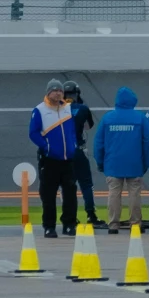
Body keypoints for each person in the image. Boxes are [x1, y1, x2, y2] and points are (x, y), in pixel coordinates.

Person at [95, 87, 149, 232]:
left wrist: (100, 162)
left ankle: (113, 225)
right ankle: (135, 224)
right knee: (135, 194)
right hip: (134, 163)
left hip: (112, 163)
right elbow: (148, 142)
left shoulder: (107, 118)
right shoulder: (140, 118)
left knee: (114, 193)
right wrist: (148, 162)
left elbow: (98, 143)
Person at [27, 80, 81, 237]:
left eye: (60, 90)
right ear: (48, 92)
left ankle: (69, 224)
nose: (58, 93)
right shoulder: (40, 110)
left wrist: (73, 145)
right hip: (50, 159)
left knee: (70, 193)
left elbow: (72, 131)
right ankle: (49, 226)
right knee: (48, 194)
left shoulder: (68, 109)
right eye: (55, 90)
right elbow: (33, 133)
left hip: (68, 159)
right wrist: (47, 147)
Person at [62, 82, 101, 227]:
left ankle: (70, 216)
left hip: (63, 152)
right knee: (86, 184)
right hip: (78, 149)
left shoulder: (57, 109)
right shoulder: (83, 108)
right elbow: (88, 126)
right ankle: (91, 214)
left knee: (66, 185)